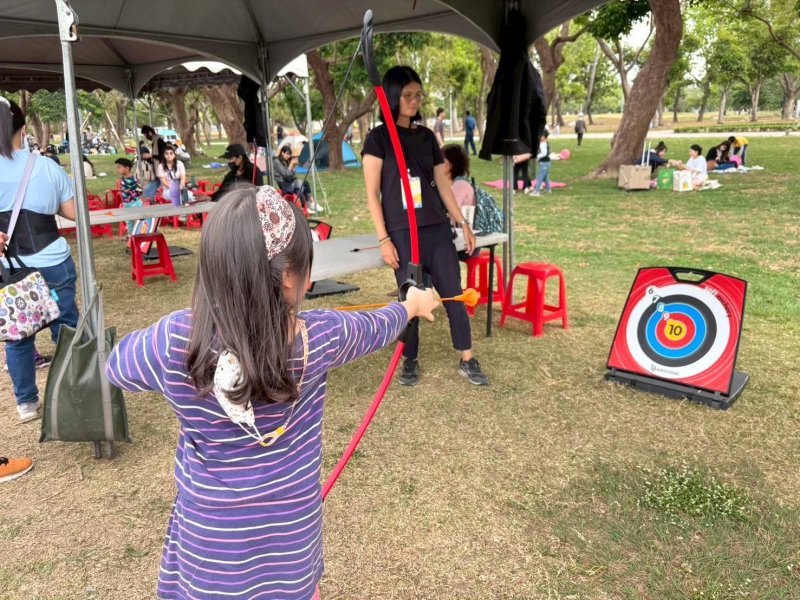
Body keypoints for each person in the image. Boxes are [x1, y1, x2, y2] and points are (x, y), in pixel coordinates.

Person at [105, 184, 438, 600]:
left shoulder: (173, 340)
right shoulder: (323, 337)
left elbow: (116, 368)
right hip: (290, 544)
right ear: (287, 277)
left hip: (211, 551)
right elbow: (381, 325)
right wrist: (412, 304)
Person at [362, 65, 489, 387]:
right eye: (407, 95)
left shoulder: (426, 136)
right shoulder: (378, 139)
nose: (415, 101)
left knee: (454, 294)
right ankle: (409, 360)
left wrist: (462, 224)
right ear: (391, 97)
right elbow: (372, 195)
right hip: (404, 235)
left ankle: (467, 358)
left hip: (435, 229)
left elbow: (443, 184)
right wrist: (384, 239)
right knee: (412, 297)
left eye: (418, 95)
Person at [0, 96, 80, 423]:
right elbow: (73, 214)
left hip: (12, 267)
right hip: (53, 262)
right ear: (21, 128)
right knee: (66, 325)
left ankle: (26, 404)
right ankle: (75, 387)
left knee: (19, 333)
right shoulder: (45, 166)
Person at [273, 144, 320, 214]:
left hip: (289, 181)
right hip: (284, 184)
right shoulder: (277, 162)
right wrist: (291, 165)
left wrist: (294, 167)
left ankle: (309, 204)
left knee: (303, 185)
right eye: (287, 154)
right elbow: (286, 175)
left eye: (289, 155)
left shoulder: (286, 161)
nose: (288, 156)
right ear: (282, 152)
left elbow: (291, 175)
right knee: (302, 185)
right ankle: (308, 205)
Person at [114, 157, 143, 238]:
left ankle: (138, 236)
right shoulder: (123, 179)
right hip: (126, 204)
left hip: (134, 204)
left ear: (127, 168)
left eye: (119, 167)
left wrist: (130, 194)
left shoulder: (133, 179)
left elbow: (140, 190)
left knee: (137, 222)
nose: (118, 169)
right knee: (129, 222)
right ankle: (131, 237)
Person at [531, 130, 552, 196]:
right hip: (547, 163)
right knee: (545, 177)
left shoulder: (543, 144)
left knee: (540, 177)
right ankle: (548, 189)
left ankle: (536, 191)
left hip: (544, 163)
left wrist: (537, 156)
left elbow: (544, 153)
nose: (539, 137)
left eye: (540, 136)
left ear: (544, 137)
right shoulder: (545, 142)